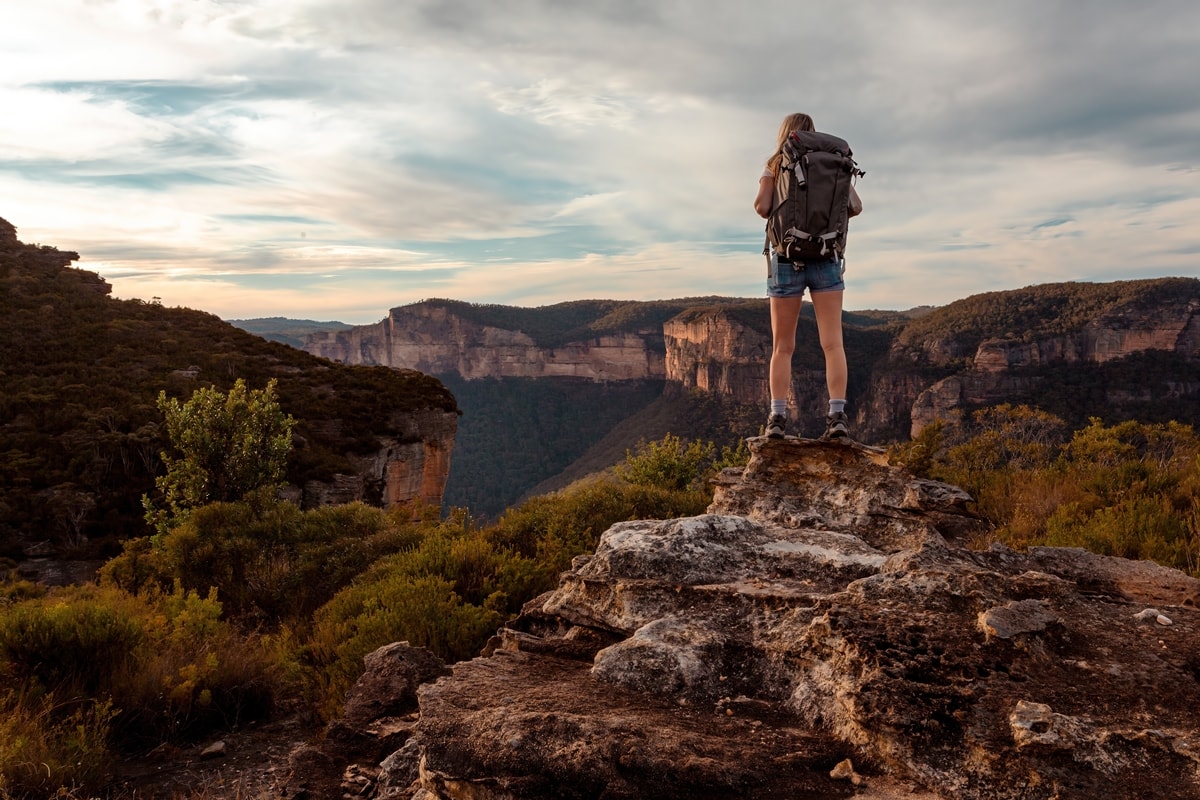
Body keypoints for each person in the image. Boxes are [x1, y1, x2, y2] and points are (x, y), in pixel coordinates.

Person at [753, 112, 862, 441]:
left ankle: (777, 419)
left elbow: (761, 206)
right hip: (826, 257)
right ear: (813, 134)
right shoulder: (833, 162)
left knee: (783, 347)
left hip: (788, 258)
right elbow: (855, 206)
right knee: (833, 344)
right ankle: (837, 416)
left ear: (785, 134)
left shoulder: (775, 163)